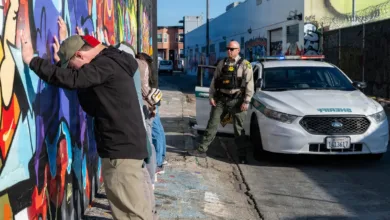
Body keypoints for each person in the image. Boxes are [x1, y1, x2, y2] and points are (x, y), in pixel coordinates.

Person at [20, 31, 152, 219]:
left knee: (132, 215)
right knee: (131, 211)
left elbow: (74, 80)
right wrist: (67, 52)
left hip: (121, 154)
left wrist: (31, 60)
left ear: (81, 55)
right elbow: (81, 83)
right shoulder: (115, 60)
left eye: (74, 66)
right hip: (127, 150)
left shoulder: (104, 66)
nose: (75, 71)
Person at [187, 40, 254, 164]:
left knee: (238, 129)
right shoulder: (222, 63)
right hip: (221, 99)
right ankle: (202, 150)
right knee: (212, 124)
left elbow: (250, 84)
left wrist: (246, 101)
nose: (229, 50)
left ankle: (242, 156)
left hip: (237, 100)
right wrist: (211, 96)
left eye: (232, 49)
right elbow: (214, 81)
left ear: (238, 50)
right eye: (228, 48)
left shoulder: (245, 64)